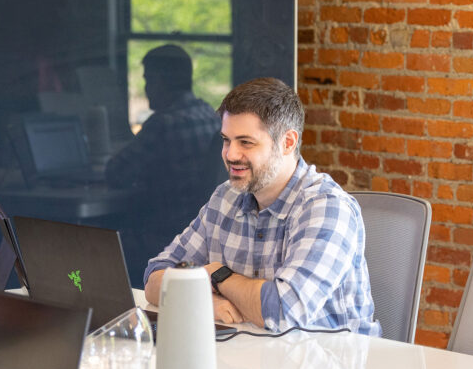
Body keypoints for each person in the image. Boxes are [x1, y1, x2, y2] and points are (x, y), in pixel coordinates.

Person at [143, 77, 380, 336]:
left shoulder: (326, 208)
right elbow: (155, 276)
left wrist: (218, 275)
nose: (230, 154)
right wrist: (206, 302)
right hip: (251, 359)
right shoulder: (225, 197)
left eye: (246, 142)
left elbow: (282, 310)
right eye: (226, 140)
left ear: (288, 142)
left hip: (326, 366)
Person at [105, 44, 225, 263]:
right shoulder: (209, 114)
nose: (147, 88)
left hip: (164, 235)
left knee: (101, 239)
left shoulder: (163, 123)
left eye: (149, 79)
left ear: (162, 81)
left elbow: (115, 173)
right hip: (199, 232)